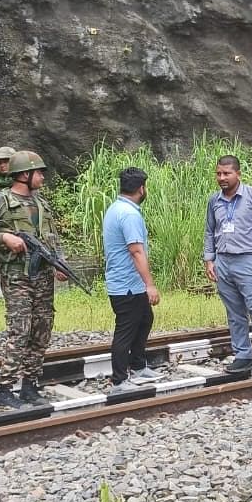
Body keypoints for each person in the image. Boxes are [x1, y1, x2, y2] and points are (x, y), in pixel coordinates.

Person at [0, 150, 67, 409]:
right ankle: (5, 389)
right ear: (25, 174)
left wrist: (61, 264)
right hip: (16, 276)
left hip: (43, 275)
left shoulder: (41, 204)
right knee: (20, 330)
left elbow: (53, 238)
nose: (43, 177)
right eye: (39, 173)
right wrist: (4, 238)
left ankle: (30, 385)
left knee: (42, 330)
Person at [203, 154, 252, 376]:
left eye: (227, 173)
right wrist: (209, 259)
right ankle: (243, 356)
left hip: (247, 260)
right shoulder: (214, 201)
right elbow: (210, 230)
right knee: (234, 312)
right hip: (223, 261)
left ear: (238, 174)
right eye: (218, 173)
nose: (222, 178)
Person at [102, 167, 164, 392]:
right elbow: (136, 251)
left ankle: (138, 366)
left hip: (127, 283)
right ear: (141, 188)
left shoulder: (116, 208)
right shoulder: (129, 214)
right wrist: (150, 284)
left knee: (145, 319)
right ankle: (119, 380)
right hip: (127, 285)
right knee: (125, 331)